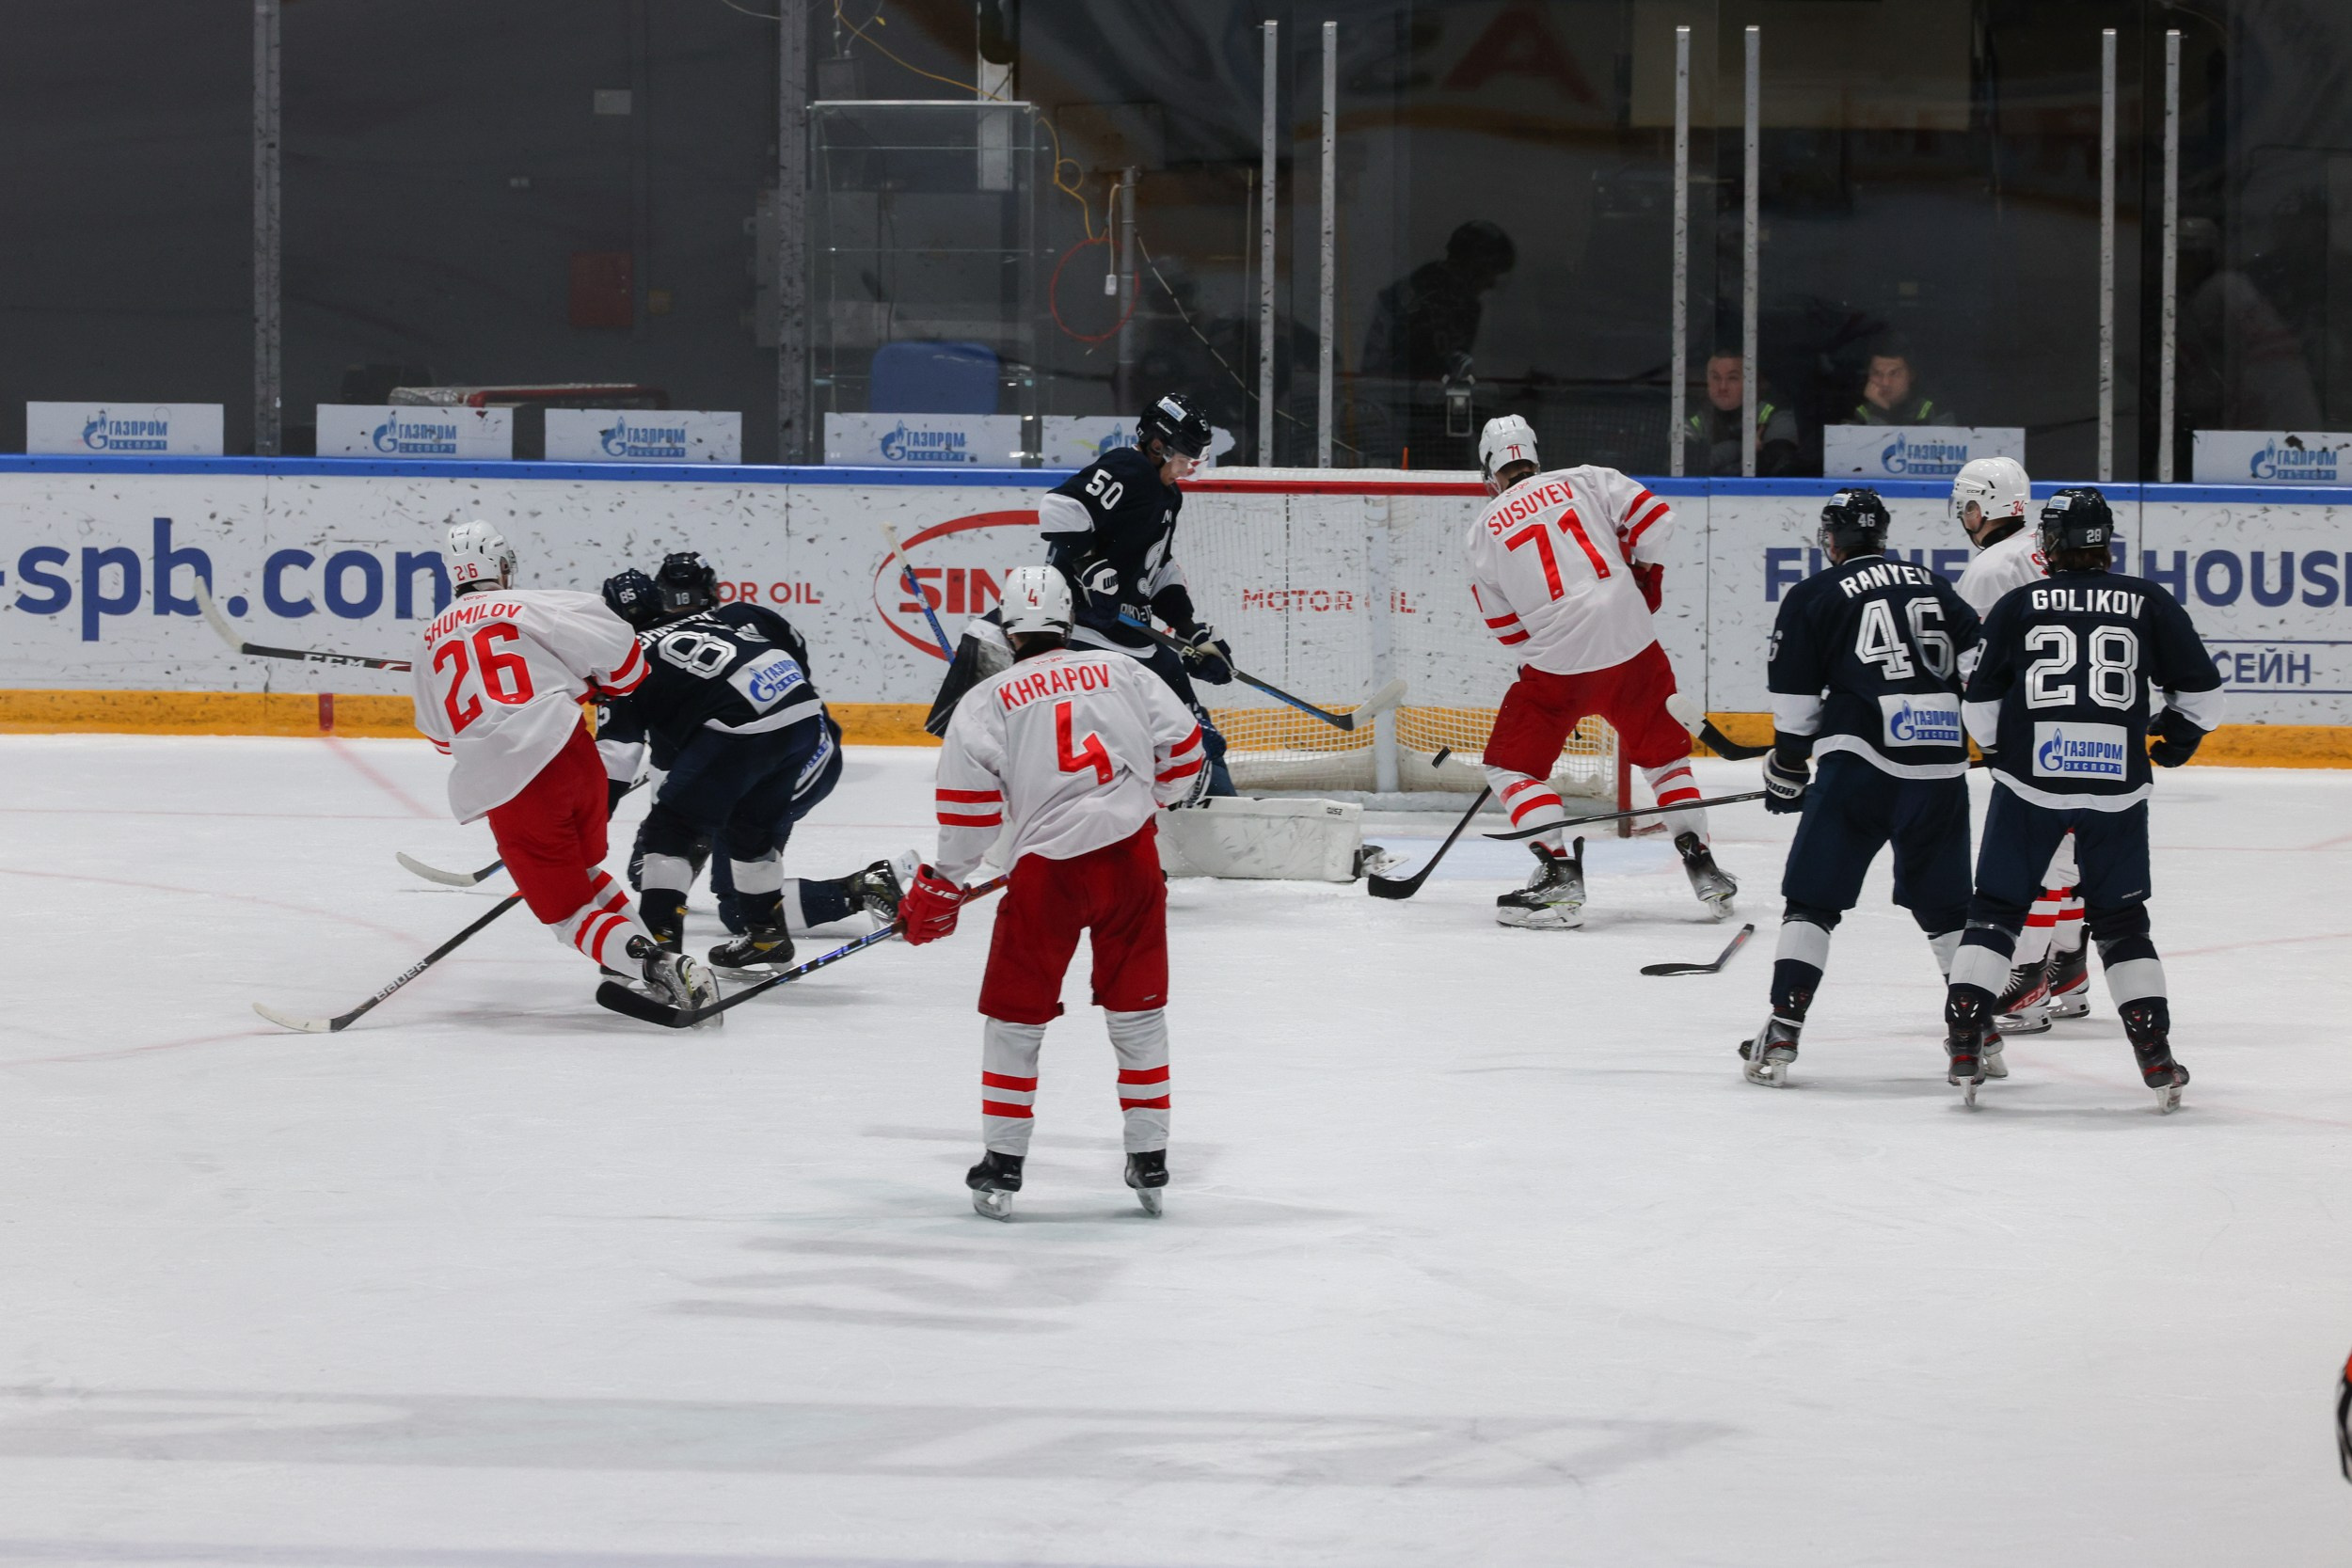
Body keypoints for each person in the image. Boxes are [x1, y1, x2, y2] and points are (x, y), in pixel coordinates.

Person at [898, 565, 1211, 1221]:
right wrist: (1144, 802)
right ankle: (1150, 1155)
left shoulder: (986, 701)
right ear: (1069, 619)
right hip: (1132, 864)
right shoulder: (1124, 672)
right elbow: (1186, 753)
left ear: (1008, 628)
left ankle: (1003, 1164)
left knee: (1016, 1019)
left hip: (1048, 876)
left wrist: (943, 886)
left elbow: (968, 814)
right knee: (1138, 1012)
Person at [1943, 487, 2226, 1109]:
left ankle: (1966, 1034)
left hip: (2030, 785)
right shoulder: (2147, 601)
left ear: (2049, 543)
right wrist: (2176, 739)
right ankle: (2154, 1051)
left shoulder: (2019, 602)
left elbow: (1981, 703)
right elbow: (2203, 693)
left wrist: (2001, 753)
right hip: (2116, 787)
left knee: (1993, 910)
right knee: (2123, 925)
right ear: (2107, 541)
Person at [409, 520, 712, 1016]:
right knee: (585, 872)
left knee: (569, 916)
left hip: (513, 785)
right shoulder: (536, 604)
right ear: (503, 567)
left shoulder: (428, 643)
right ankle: (645, 959)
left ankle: (657, 967)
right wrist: (590, 681)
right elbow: (626, 662)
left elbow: (443, 740)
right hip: (574, 757)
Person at [1742, 489, 1981, 1086]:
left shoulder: (1814, 594)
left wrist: (1790, 767)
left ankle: (1783, 1029)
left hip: (1859, 766)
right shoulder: (1931, 582)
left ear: (1830, 541)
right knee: (1949, 909)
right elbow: (1981, 665)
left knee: (1813, 900)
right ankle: (1978, 1035)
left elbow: (1796, 700)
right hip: (1940, 765)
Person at [1466, 414, 1736, 927]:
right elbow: (1657, 519)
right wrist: (1643, 574)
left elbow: (1505, 629)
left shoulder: (1483, 530)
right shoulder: (1586, 479)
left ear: (1490, 471)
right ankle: (1704, 868)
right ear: (1535, 454)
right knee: (1664, 760)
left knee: (1511, 767)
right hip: (1633, 645)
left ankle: (1559, 875)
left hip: (1558, 665)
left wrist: (1553, 651)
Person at [928, 390, 1237, 797]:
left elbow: (1158, 567)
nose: (1185, 470)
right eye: (1182, 459)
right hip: (1083, 632)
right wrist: (1089, 567)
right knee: (1171, 736)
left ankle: (1216, 809)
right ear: (1157, 445)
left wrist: (1189, 630)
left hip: (1132, 637)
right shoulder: (1127, 468)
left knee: (1197, 735)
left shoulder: (1168, 495)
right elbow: (1059, 508)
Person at [596, 565, 908, 948]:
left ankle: (660, 952)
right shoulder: (721, 621)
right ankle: (767, 939)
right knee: (746, 832)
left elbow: (621, 754)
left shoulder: (627, 660)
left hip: (753, 738)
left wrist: (591, 822)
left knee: (673, 834)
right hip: (804, 724)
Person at [1947, 457, 2087, 1035]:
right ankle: (2071, 972)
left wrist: (1975, 731)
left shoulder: (1988, 569)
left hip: (2026, 728)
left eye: (1970, 504)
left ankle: (2026, 983)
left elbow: (1976, 666)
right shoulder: (2044, 546)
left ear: (1991, 505)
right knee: (2070, 853)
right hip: (2083, 721)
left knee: (2036, 858)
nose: (1965, 515)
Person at [1362, 220, 1518, 465]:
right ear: (1474, 266)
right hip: (1410, 420)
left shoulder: (1437, 290)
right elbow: (1434, 369)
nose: (1490, 284)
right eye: (1491, 272)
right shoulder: (1439, 299)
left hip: (1422, 415)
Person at [1685, 350, 1802, 477]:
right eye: (1716, 377)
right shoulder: (1690, 412)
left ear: (1751, 382)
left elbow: (1782, 467)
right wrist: (1736, 449)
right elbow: (1680, 466)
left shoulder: (1774, 410)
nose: (1722, 387)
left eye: (1732, 378)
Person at [1851, 341, 1950, 426]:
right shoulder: (1858, 414)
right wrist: (1879, 411)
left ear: (1911, 375)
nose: (1885, 383)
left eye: (1894, 373)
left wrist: (1884, 413)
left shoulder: (1935, 410)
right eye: (1877, 373)